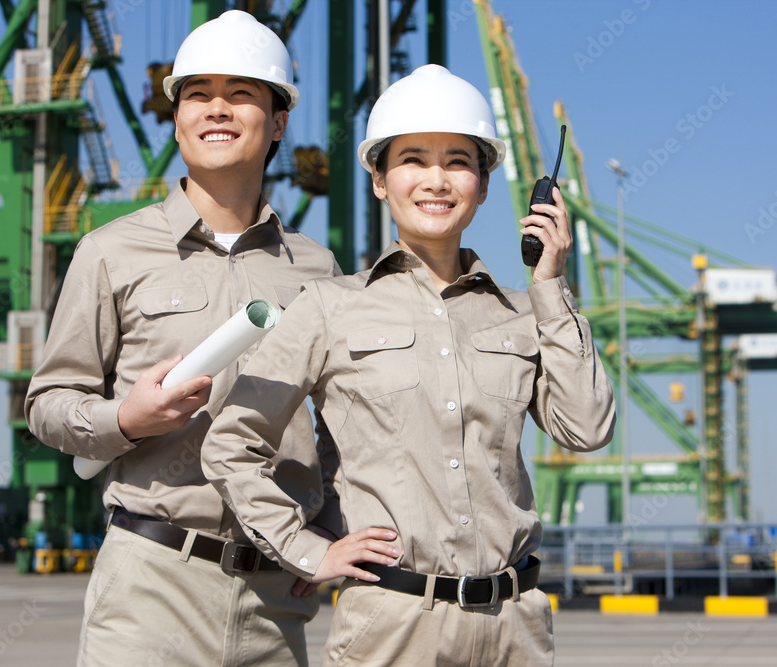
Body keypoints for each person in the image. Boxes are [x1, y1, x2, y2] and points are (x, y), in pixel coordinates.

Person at [202, 64, 616, 665]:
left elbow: (587, 427)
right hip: (393, 630)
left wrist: (549, 285)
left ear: (483, 182)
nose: (436, 180)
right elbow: (231, 442)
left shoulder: (523, 316)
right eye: (413, 160)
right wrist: (308, 550)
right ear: (379, 179)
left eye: (457, 161)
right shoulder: (328, 307)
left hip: (516, 629)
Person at [25, 11, 342, 666]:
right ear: (176, 117)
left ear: (278, 121)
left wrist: (332, 530)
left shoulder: (318, 268)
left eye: (242, 93)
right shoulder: (110, 252)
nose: (217, 108)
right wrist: (125, 417)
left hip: (277, 598)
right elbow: (48, 403)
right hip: (150, 585)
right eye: (197, 94)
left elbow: (349, 424)